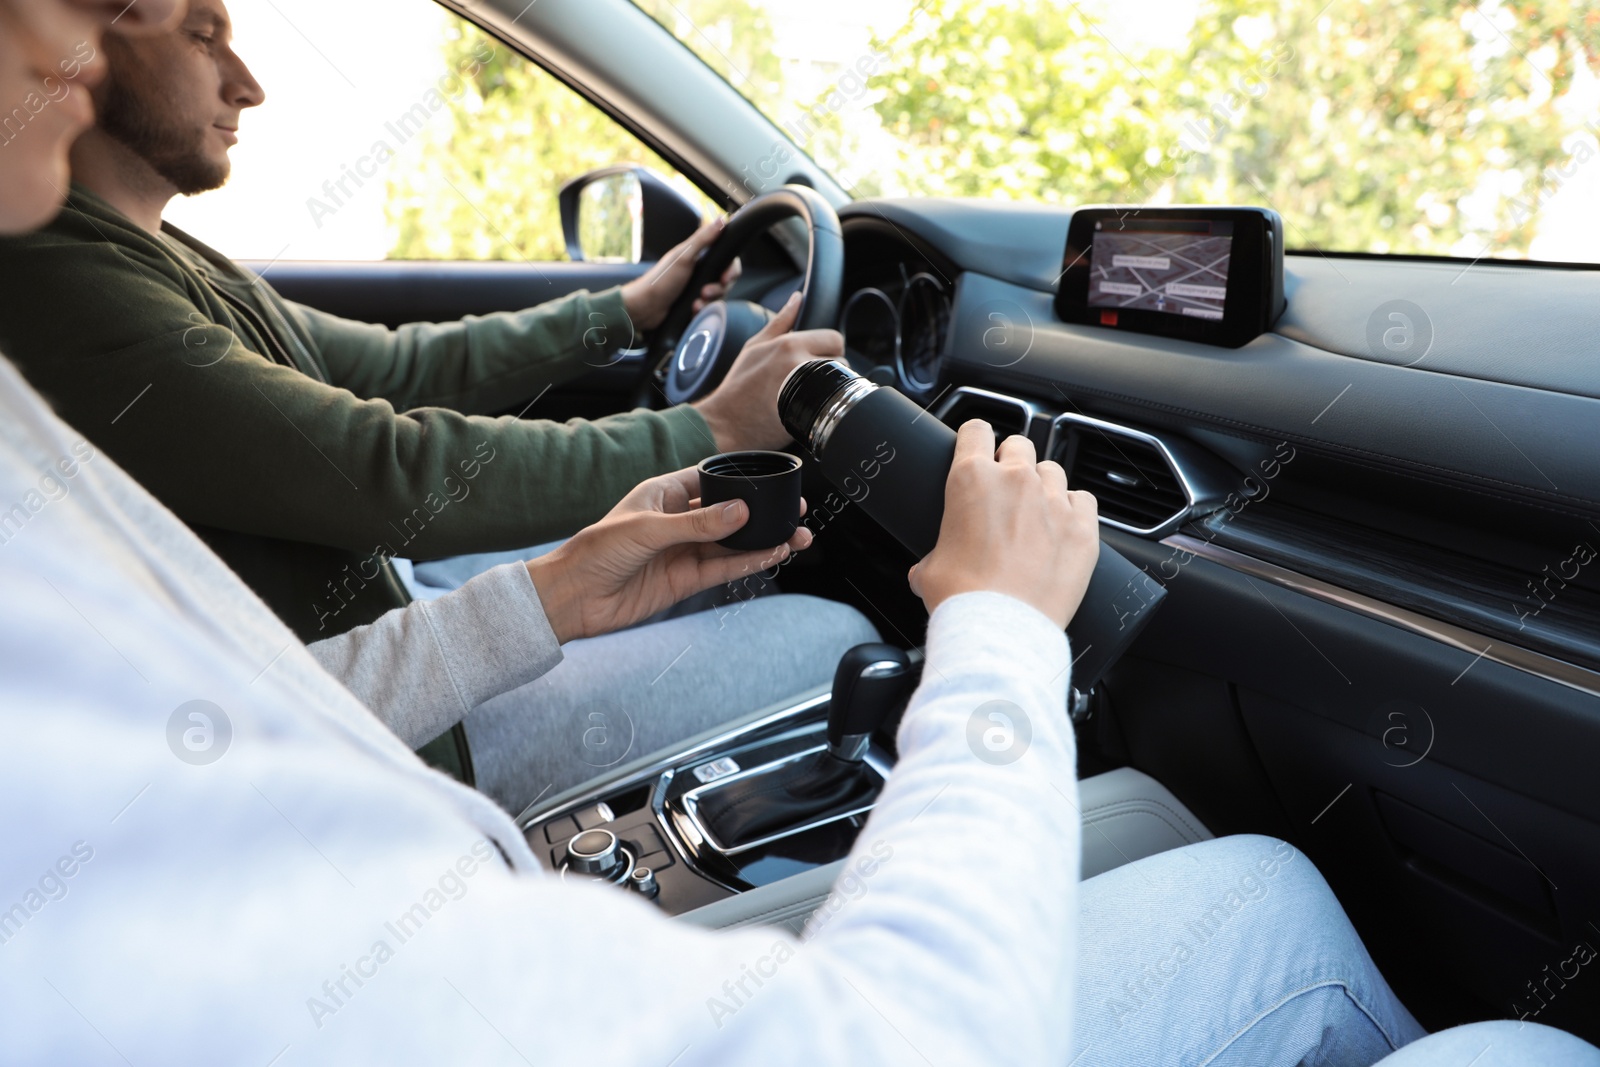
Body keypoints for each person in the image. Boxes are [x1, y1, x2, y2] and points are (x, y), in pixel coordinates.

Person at [4, 3, 1600, 1065]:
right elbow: (387, 463)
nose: (83, 37)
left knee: (886, 679)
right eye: (99, 3)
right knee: (1391, 967)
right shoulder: (46, 296)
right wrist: (994, 639)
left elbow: (264, 665)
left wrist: (543, 590)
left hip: (460, 861)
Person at [0, 0, 878, 812]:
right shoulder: (54, 282)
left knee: (733, 557)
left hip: (383, 621)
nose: (248, 82)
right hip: (402, 733)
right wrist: (711, 429)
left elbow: (392, 368)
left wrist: (621, 312)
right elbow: (394, 473)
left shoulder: (158, 253)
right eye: (201, 33)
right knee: (834, 636)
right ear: (90, 33)